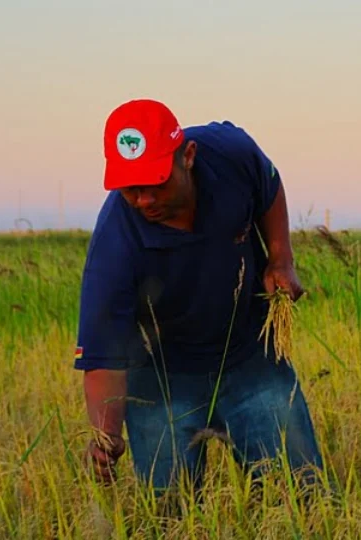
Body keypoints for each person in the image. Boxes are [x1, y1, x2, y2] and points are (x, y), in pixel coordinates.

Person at [75, 98, 323, 498]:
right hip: (161, 380)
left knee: (301, 498)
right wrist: (106, 437)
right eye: (130, 188)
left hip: (250, 359)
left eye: (155, 182)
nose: (144, 200)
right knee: (170, 514)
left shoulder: (230, 153)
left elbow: (269, 184)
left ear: (187, 156)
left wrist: (281, 259)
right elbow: (104, 355)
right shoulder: (114, 244)